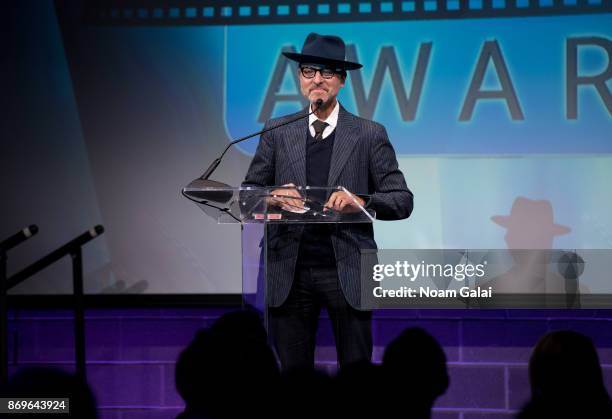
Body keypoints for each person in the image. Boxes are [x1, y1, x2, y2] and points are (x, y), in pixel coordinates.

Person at [243, 33, 413, 371]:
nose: (317, 79)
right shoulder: (277, 130)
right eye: (309, 71)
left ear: (342, 80)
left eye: (328, 72)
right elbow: (249, 194)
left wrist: (360, 201)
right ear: (300, 77)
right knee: (292, 376)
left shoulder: (368, 133)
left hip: (346, 268)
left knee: (356, 373)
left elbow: (401, 201)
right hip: (287, 270)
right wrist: (271, 196)